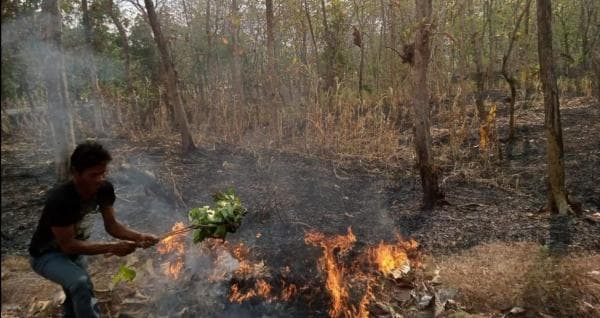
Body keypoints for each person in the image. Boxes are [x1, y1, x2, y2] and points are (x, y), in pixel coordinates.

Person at [28, 140, 159, 317]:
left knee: (76, 295)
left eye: (102, 173)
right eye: (93, 175)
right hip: (46, 255)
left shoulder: (104, 189)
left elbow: (112, 226)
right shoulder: (60, 200)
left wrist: (140, 236)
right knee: (81, 283)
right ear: (75, 172)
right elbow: (68, 245)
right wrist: (112, 247)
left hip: (75, 252)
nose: (99, 179)